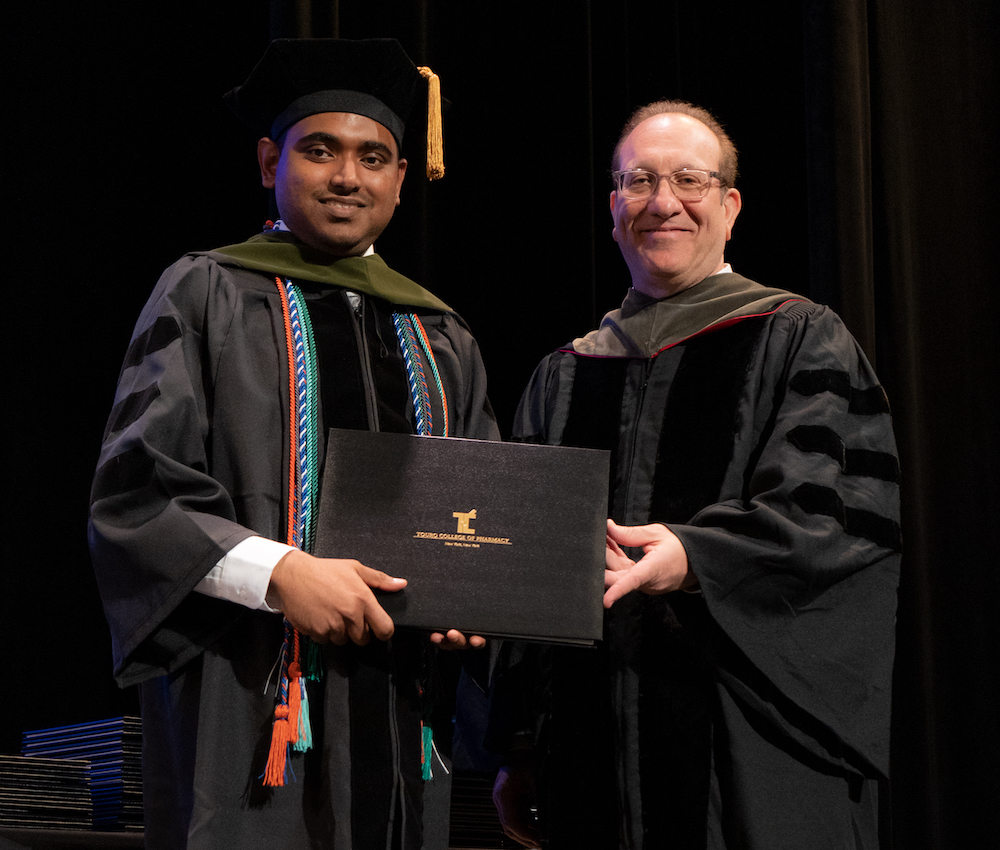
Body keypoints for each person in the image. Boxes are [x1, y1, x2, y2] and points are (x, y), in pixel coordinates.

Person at [87, 38, 498, 850]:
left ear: (401, 179)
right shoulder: (206, 291)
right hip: (251, 688)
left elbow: (478, 503)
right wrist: (279, 575)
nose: (349, 177)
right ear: (271, 159)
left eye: (374, 157)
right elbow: (137, 492)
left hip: (401, 701)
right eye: (321, 151)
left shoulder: (439, 332)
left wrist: (474, 599)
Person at [487, 101, 901, 849]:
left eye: (688, 180)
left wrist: (693, 559)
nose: (662, 202)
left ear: (729, 205)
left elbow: (832, 523)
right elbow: (525, 571)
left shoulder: (802, 339)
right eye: (639, 180)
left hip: (748, 745)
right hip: (589, 756)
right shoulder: (565, 375)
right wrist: (515, 746)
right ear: (614, 206)